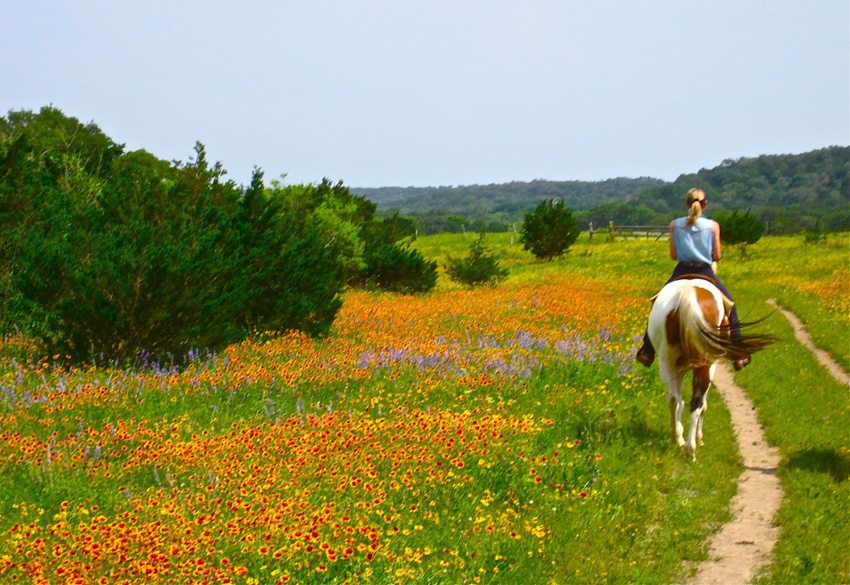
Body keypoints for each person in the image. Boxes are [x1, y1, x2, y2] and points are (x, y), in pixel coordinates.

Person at [635, 188, 751, 370]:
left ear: (686, 204)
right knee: (731, 307)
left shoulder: (674, 225)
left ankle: (647, 350)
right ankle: (738, 354)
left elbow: (673, 255)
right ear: (705, 205)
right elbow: (717, 256)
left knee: (657, 303)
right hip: (705, 272)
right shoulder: (713, 226)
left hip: (681, 271)